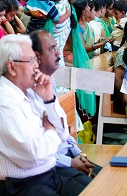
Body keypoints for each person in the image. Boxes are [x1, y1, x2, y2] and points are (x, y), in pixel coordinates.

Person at [0, 34, 94, 196]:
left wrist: (49, 99)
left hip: (48, 175)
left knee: (100, 188)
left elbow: (63, 133)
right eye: (31, 60)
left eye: (35, 59)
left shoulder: (30, 92)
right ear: (12, 67)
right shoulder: (4, 102)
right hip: (22, 186)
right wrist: (51, 131)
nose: (36, 66)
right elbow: (34, 155)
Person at [30, 30, 100, 178]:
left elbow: (64, 134)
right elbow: (38, 151)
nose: (58, 53)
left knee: (108, 176)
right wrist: (71, 162)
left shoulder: (51, 82)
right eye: (52, 49)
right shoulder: (30, 92)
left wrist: (80, 154)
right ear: (37, 56)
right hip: (54, 167)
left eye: (57, 47)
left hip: (69, 155)